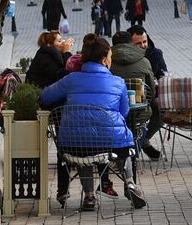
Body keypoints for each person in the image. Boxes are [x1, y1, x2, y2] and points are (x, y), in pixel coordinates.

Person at [39, 34, 147, 211]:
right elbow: (124, 111)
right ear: (105, 60)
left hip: (72, 145)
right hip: (110, 143)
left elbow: (44, 97)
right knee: (122, 140)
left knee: (84, 147)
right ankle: (130, 183)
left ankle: (89, 197)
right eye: (110, 57)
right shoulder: (118, 83)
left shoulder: (70, 80)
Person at [110, 30, 159, 160]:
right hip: (138, 111)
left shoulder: (106, 61)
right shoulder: (144, 61)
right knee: (154, 109)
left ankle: (121, 152)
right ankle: (137, 146)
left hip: (112, 113)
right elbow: (151, 93)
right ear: (130, 43)